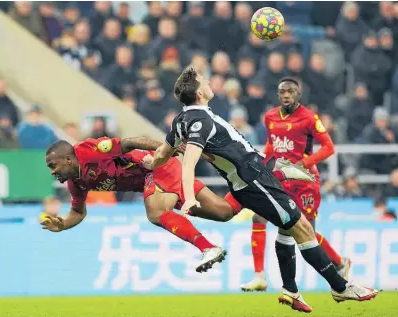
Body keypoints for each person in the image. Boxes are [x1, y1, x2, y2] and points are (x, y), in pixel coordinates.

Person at [145, 67, 378, 313]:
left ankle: (291, 290)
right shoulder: (200, 123)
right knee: (301, 227)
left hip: (255, 176)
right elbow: (189, 161)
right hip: (254, 181)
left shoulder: (182, 120)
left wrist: (151, 163)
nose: (209, 82)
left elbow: (162, 153)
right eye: (205, 81)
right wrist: (190, 197)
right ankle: (340, 287)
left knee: (287, 229)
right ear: (200, 93)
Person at [41, 135, 310, 273]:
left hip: (155, 166)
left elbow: (131, 141)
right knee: (224, 212)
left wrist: (166, 149)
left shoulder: (88, 150)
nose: (52, 172)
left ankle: (208, 248)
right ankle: (275, 170)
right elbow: (78, 211)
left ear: (67, 158)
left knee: (156, 212)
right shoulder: (76, 182)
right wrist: (63, 225)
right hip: (159, 178)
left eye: (53, 165)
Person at [241, 77, 351, 298]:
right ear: (278, 94)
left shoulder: (310, 118)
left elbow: (329, 148)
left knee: (307, 232)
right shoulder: (270, 117)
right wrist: (262, 165)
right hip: (281, 180)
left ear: (298, 94)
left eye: (291, 91)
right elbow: (273, 143)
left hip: (306, 182)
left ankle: (340, 263)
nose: (286, 95)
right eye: (282, 91)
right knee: (258, 217)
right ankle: (259, 276)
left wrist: (303, 163)